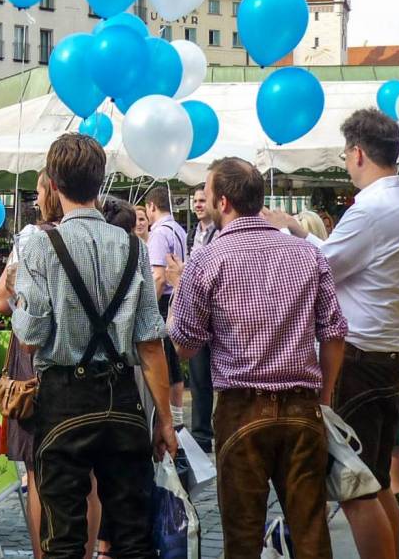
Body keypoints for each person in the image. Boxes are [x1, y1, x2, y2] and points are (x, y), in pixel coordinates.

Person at [267, 109, 399, 559]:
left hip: (360, 357)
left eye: (345, 155)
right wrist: (304, 233)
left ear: (358, 153)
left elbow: (322, 267)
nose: (345, 163)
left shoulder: (372, 210)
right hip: (394, 351)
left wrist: (292, 236)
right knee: (375, 481)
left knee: (354, 486)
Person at [172, 157, 346, 558]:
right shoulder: (306, 254)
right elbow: (335, 331)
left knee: (242, 535)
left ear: (225, 201)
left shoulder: (208, 258)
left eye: (209, 194)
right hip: (302, 405)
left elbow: (185, 345)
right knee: (311, 534)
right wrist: (325, 397)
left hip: (241, 408)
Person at [12, 134, 175, 559]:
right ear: (100, 182)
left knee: (62, 538)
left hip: (64, 397)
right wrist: (165, 420)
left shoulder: (38, 244)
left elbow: (29, 338)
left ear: (53, 182)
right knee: (133, 538)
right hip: (123, 397)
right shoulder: (133, 246)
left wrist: (20, 303)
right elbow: (150, 343)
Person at [0, 173, 102, 559]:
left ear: (50, 193)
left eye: (39, 191)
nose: (36, 199)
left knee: (39, 474)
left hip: (37, 363)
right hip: (92, 361)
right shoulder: (103, 237)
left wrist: (11, 283)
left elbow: (5, 303)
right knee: (89, 476)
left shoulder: (31, 240)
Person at [143, 186, 187, 427]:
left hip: (161, 302)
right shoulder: (178, 229)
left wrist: (147, 307)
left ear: (152, 206)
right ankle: (177, 419)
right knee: (173, 365)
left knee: (164, 365)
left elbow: (158, 276)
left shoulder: (159, 233)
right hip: (176, 298)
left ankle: (167, 421)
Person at [183, 186, 218, 452]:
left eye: (202, 200)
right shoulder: (192, 234)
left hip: (215, 311)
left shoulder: (218, 232)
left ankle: (207, 430)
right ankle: (201, 433)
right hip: (198, 310)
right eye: (195, 201)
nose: (197, 205)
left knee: (213, 374)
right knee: (198, 376)